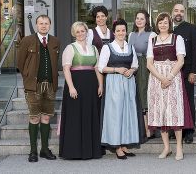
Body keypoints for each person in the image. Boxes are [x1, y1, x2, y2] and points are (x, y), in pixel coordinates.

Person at [146, 12, 193, 161]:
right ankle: (166, 147)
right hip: (156, 78)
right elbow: (149, 63)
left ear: (169, 23)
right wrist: (161, 78)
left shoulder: (176, 38)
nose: (163, 25)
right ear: (157, 24)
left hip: (173, 77)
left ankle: (179, 147)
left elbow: (180, 61)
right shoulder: (152, 40)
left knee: (174, 111)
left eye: (165, 22)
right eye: (160, 22)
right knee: (161, 111)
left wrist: (169, 77)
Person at [17, 15, 60, 162]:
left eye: (46, 23)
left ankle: (44, 149)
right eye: (40, 23)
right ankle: (33, 151)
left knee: (46, 117)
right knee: (35, 117)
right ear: (36, 25)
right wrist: (28, 77)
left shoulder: (55, 41)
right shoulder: (27, 40)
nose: (43, 26)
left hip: (50, 85)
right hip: (33, 86)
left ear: (50, 25)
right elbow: (20, 63)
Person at [59, 22, 103, 160]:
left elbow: (97, 68)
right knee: (75, 117)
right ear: (74, 33)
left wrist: (101, 85)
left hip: (91, 86)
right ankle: (74, 151)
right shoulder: (70, 48)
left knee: (90, 116)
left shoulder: (94, 48)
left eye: (82, 31)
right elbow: (66, 69)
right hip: (76, 86)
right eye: (77, 32)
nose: (80, 34)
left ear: (86, 32)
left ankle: (91, 151)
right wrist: (71, 87)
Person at [98, 19, 140, 160]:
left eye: (123, 30)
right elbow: (101, 67)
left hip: (128, 83)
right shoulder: (107, 47)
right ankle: (116, 146)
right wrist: (117, 69)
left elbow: (135, 65)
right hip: (114, 82)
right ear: (114, 32)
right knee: (115, 114)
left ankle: (124, 144)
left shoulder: (130, 47)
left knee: (127, 113)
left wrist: (132, 71)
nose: (121, 33)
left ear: (126, 32)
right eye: (118, 31)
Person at [172, 4, 196, 144]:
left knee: (188, 101)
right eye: (176, 10)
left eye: (182, 11)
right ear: (172, 12)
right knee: (173, 101)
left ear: (185, 13)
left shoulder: (192, 29)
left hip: (186, 72)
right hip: (170, 73)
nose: (179, 13)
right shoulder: (166, 28)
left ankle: (189, 130)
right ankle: (176, 130)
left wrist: (194, 71)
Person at [128, 10, 157, 140]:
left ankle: (148, 130)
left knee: (145, 95)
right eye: (137, 18)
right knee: (136, 96)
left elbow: (154, 54)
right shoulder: (131, 34)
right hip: (133, 66)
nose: (139, 20)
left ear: (146, 20)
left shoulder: (152, 34)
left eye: (142, 18)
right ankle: (138, 128)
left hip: (146, 67)